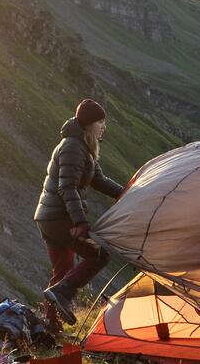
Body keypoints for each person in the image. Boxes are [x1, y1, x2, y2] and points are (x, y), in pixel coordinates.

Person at [34, 98, 124, 325]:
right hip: (58, 218)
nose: (104, 126)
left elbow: (98, 180)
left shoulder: (81, 146)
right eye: (100, 122)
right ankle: (63, 295)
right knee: (99, 255)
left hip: (50, 217)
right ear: (89, 123)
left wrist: (125, 193)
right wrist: (80, 222)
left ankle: (50, 324)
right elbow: (67, 187)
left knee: (63, 270)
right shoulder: (73, 147)